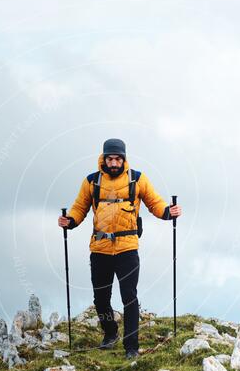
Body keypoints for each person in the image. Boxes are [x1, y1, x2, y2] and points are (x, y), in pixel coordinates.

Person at [57, 138, 182, 359]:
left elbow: (155, 202)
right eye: (110, 158)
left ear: (123, 159)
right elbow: (79, 208)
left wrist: (167, 211)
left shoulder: (138, 179)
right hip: (100, 249)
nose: (113, 162)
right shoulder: (91, 182)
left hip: (127, 249)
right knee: (101, 298)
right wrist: (70, 221)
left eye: (117, 158)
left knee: (129, 297)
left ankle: (131, 347)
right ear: (103, 159)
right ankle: (110, 333)